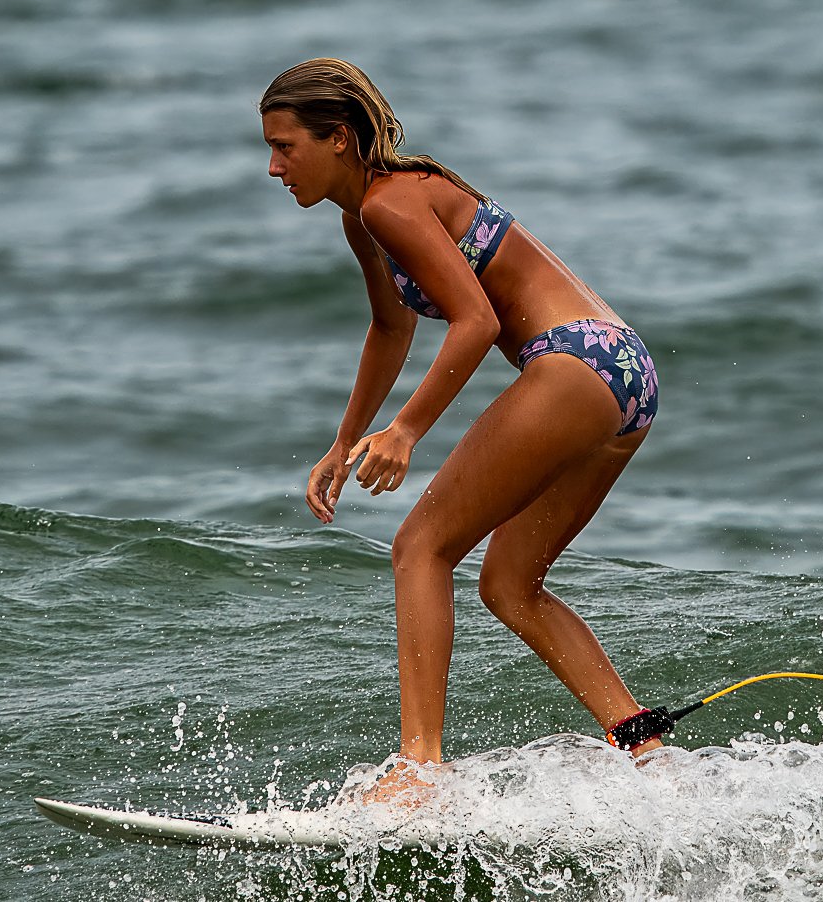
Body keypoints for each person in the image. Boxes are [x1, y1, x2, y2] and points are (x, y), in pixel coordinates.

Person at [258, 58, 669, 800]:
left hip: (574, 360)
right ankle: (643, 743)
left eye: (286, 146)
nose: (273, 166)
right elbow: (389, 329)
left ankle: (420, 769)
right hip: (621, 369)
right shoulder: (368, 220)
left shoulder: (391, 204)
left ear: (340, 140)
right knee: (509, 585)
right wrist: (344, 441)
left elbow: (476, 320)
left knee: (420, 547)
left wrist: (407, 430)